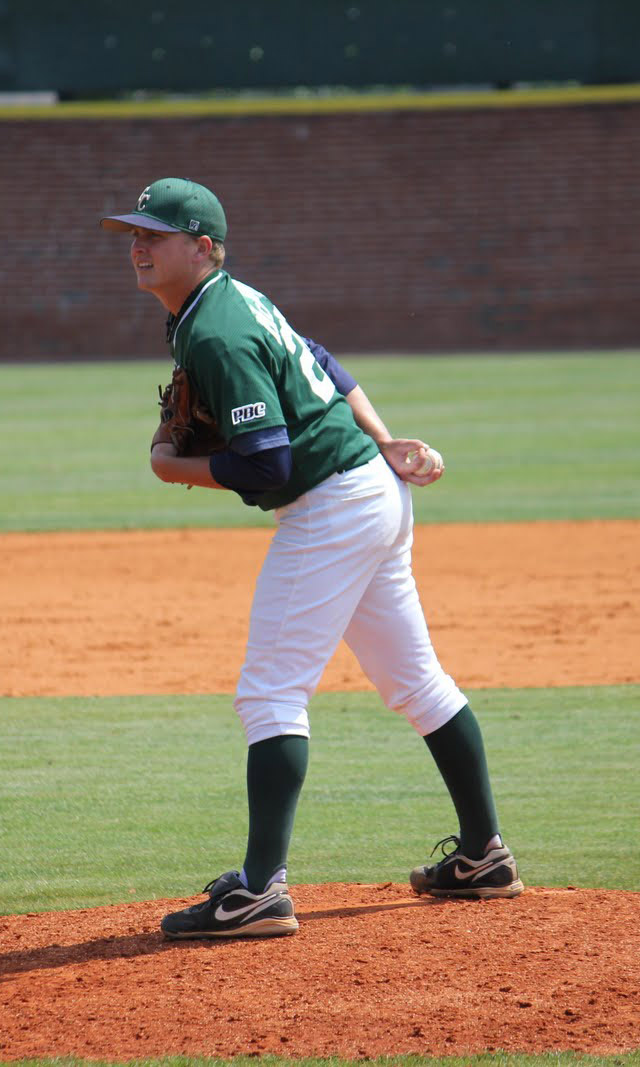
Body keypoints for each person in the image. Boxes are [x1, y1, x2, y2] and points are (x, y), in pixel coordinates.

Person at [99, 177, 522, 940]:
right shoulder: (226, 301)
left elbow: (267, 464)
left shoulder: (215, 330)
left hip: (332, 506)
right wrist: (384, 438)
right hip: (368, 489)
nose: (137, 245)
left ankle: (260, 891)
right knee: (418, 682)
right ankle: (485, 854)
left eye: (153, 235)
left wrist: (172, 466)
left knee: (269, 694)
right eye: (133, 233)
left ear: (203, 247)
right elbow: (322, 361)